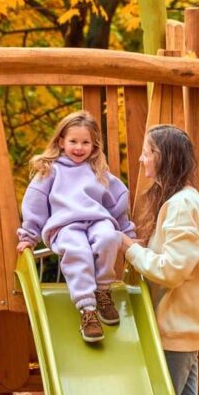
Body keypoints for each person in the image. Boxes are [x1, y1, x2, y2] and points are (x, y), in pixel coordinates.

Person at [120, 124, 199, 395]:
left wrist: (130, 250)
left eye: (147, 152)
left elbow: (172, 270)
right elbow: (177, 256)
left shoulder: (180, 205)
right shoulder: (187, 200)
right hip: (183, 327)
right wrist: (144, 248)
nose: (141, 159)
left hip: (175, 330)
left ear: (163, 157)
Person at [17, 111, 136, 343]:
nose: (79, 148)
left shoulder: (100, 172)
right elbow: (35, 203)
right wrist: (29, 235)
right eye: (73, 141)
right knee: (78, 251)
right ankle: (87, 309)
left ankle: (102, 291)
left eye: (85, 142)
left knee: (109, 238)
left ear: (94, 146)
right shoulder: (50, 170)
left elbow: (119, 202)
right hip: (65, 226)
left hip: (98, 221)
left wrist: (128, 234)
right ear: (61, 142)